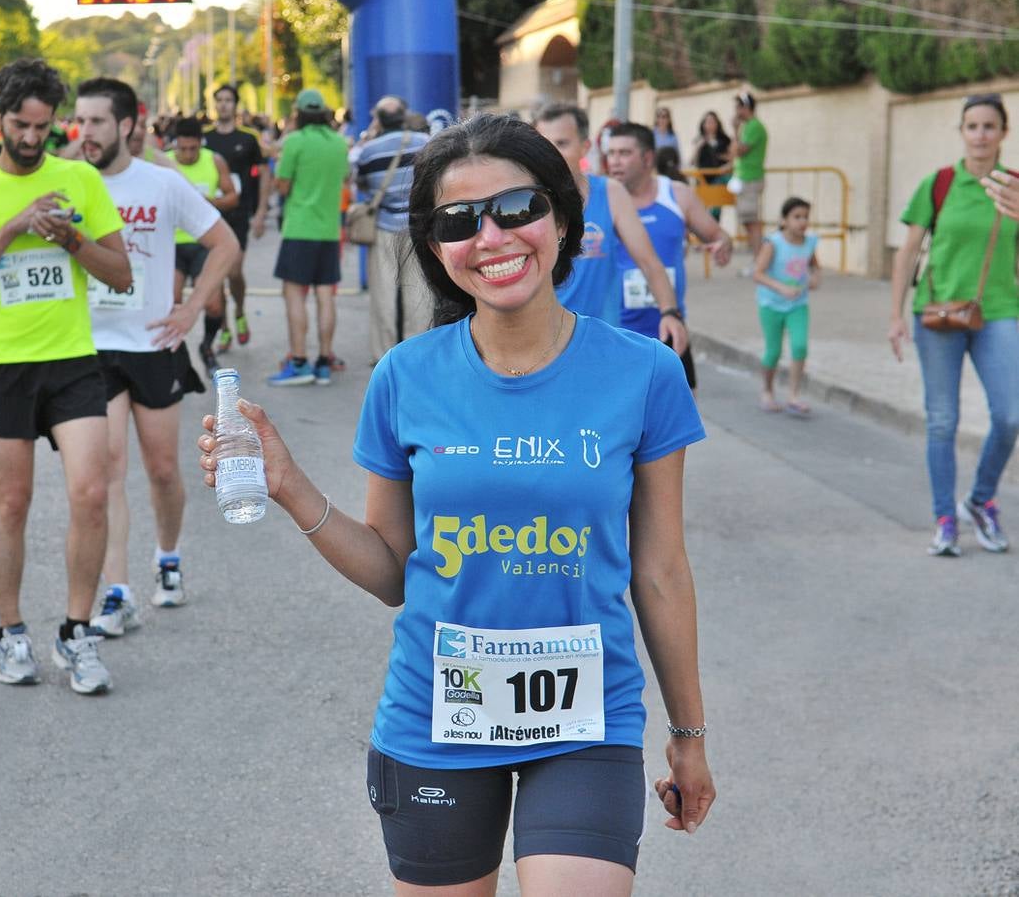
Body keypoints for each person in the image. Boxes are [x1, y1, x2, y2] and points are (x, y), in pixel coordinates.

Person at [198, 113, 714, 893]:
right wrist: (289, 486)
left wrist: (688, 734)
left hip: (585, 724)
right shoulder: (405, 376)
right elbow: (394, 573)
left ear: (562, 216)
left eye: (517, 208)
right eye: (459, 222)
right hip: (437, 719)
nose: (493, 237)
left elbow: (663, 570)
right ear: (435, 249)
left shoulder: (643, 374)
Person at [0, 58, 131, 694]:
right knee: (12, 504)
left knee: (91, 492)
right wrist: (14, 228)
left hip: (71, 358)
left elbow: (121, 275)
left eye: (44, 128)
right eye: (21, 125)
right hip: (1, 363)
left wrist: (70, 241)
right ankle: (11, 632)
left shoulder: (78, 177)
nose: (31, 138)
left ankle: (76, 633)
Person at [72, 77, 239, 629]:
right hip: (92, 346)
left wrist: (192, 309)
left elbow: (225, 244)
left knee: (163, 469)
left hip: (154, 343)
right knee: (109, 468)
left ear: (126, 125)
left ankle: (168, 558)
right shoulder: (70, 183)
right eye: (80, 120)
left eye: (96, 121)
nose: (85, 132)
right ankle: (117, 591)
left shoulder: (161, 184)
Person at [889, 92, 1019, 558]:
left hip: (1001, 310)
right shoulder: (940, 184)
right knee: (943, 420)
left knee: (1010, 415)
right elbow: (907, 252)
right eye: (972, 126)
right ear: (961, 132)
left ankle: (980, 501)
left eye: (989, 126)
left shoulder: (1015, 186)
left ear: (1003, 132)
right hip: (937, 313)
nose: (980, 134)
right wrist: (895, 315)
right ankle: (945, 518)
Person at [532, 104, 688, 355]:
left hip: (599, 346)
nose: (552, 153)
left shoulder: (610, 193)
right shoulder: (523, 202)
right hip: (540, 347)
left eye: (562, 143)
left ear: (585, 147)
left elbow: (649, 262)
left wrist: (670, 313)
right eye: (544, 144)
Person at [608, 122, 732, 389]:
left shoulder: (676, 195)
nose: (615, 162)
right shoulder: (599, 199)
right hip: (614, 330)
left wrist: (723, 245)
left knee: (684, 420)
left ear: (647, 158)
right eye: (611, 153)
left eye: (624, 153)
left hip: (668, 325)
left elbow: (718, 235)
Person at [269, 89, 349, 386]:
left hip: (299, 228)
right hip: (329, 229)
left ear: (299, 113)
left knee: (294, 295)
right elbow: (344, 179)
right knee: (326, 295)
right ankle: (325, 361)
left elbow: (282, 186)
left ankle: (299, 361)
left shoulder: (295, 142)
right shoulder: (339, 143)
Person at [352, 94, 431, 363]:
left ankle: (383, 355)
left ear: (379, 120)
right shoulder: (426, 144)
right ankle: (417, 351)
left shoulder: (370, 150)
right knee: (419, 292)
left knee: (383, 295)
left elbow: (360, 182)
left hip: (384, 228)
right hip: (417, 227)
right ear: (405, 115)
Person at [203, 84, 272, 353]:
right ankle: (224, 329)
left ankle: (240, 310)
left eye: (228, 100)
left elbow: (265, 173)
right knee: (216, 277)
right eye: (218, 100)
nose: (223, 105)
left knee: (234, 272)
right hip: (209, 216)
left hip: (240, 213)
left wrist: (261, 211)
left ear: (235, 104)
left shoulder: (249, 138)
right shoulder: (204, 138)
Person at [166, 116, 237, 375]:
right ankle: (172, 355)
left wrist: (208, 203)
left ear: (200, 144)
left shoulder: (213, 160)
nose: (186, 154)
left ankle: (206, 347)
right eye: (181, 149)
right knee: (169, 302)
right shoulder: (163, 163)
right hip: (170, 245)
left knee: (215, 304)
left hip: (203, 244)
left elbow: (232, 197)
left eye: (192, 149)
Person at [753, 197, 819, 415]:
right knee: (773, 351)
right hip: (771, 304)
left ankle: (793, 395)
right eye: (797, 217)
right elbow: (758, 274)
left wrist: (815, 278)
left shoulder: (809, 243)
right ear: (784, 220)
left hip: (798, 304)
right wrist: (781, 288)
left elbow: (815, 267)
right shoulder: (773, 243)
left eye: (805, 217)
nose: (802, 222)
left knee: (800, 346)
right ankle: (767, 391)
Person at [731, 91, 767, 269]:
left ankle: (759, 260)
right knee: (747, 220)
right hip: (744, 179)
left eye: (738, 107)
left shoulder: (753, 126)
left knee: (752, 221)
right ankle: (758, 258)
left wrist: (735, 131)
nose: (736, 111)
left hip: (750, 179)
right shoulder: (749, 126)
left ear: (746, 107)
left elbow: (740, 150)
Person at [691, 111, 732, 222]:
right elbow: (692, 162)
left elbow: (733, 159)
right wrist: (699, 146)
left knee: (715, 209)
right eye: (707, 122)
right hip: (703, 180)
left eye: (712, 121)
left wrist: (724, 162)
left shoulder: (724, 140)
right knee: (701, 210)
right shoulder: (699, 140)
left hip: (718, 179)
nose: (710, 124)